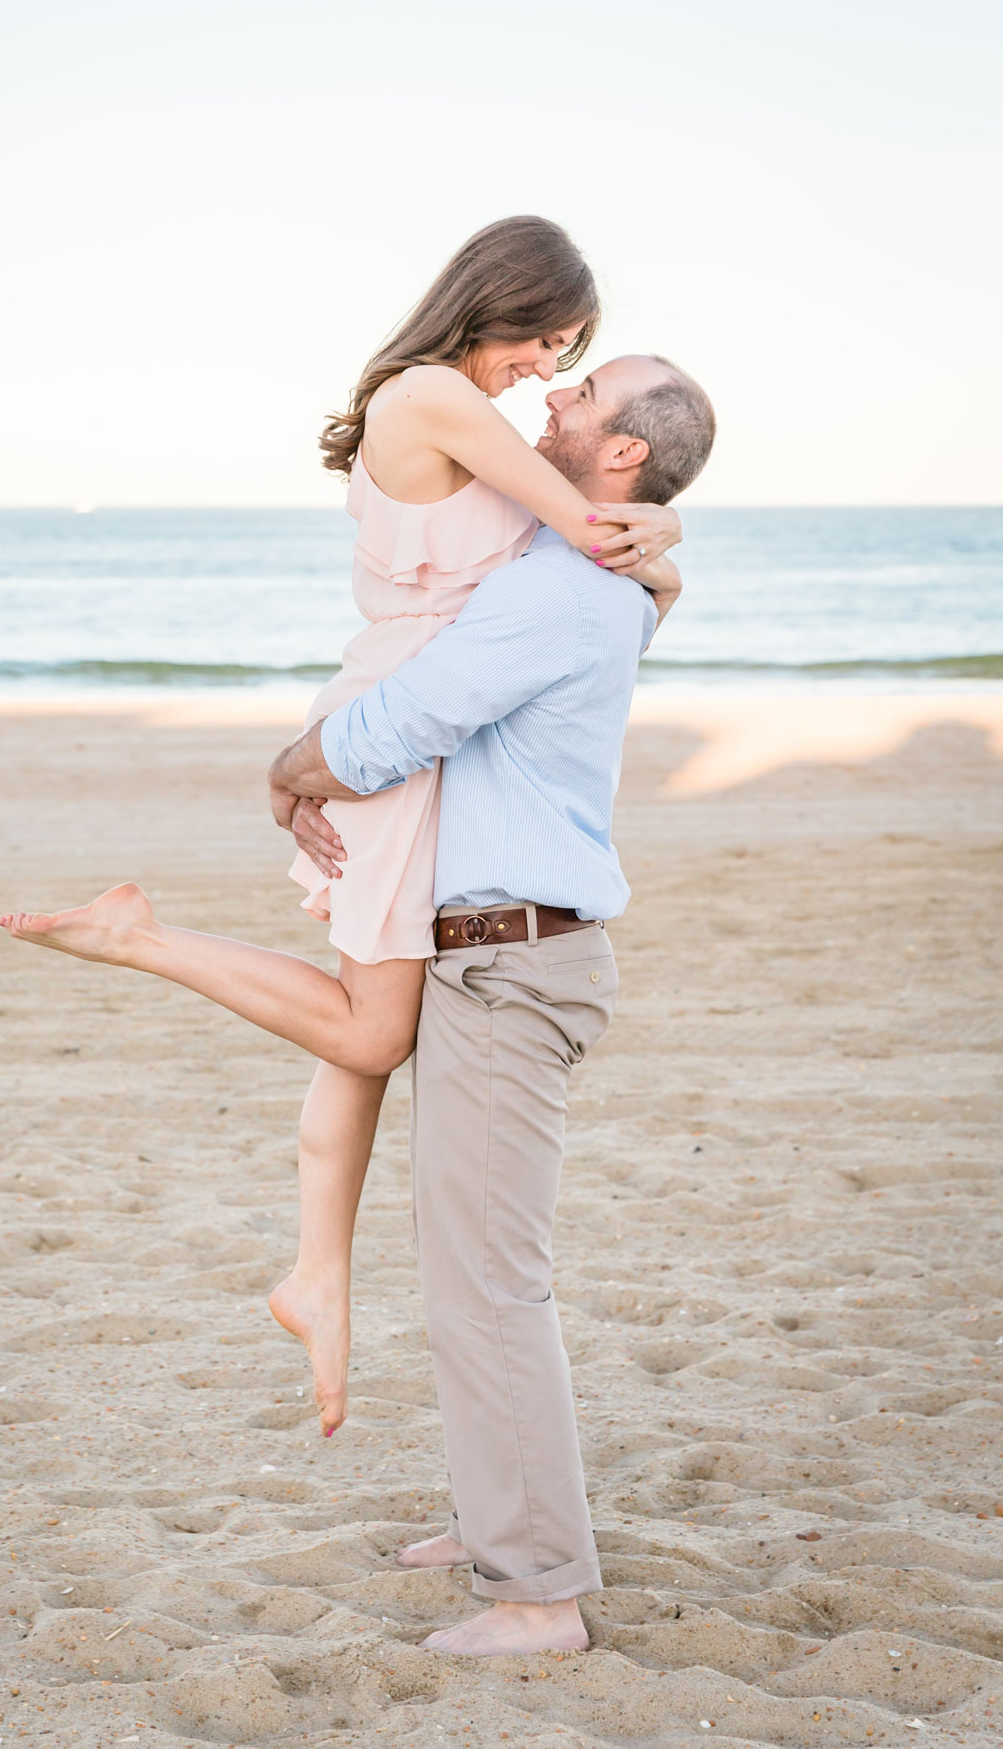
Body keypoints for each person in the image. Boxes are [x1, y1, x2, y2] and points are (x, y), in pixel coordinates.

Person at [0, 216, 691, 1437]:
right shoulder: (431, 395)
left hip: (408, 727)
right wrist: (664, 541)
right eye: (548, 345)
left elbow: (575, 546)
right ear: (502, 303)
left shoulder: (438, 406)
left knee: (359, 1032)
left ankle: (318, 1272)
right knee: (373, 1031)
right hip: (397, 733)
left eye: (566, 360)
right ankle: (140, 939)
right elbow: (590, 530)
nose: (543, 374)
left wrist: (657, 557)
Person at [263, 349, 716, 1655]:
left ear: (621, 452)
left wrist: (285, 769)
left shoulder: (563, 584)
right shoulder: (593, 570)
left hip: (512, 964)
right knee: (464, 1270)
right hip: (503, 955)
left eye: (578, 398)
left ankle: (536, 1594)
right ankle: (495, 1516)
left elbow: (404, 720)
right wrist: (666, 548)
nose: (547, 403)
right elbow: (638, 587)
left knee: (487, 1285)